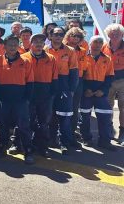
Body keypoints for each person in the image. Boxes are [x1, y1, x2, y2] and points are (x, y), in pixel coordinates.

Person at [0, 36, 35, 164]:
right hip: (3, 100)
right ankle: (2, 148)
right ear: (4, 46)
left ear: (18, 46)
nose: (12, 47)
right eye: (10, 45)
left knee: (23, 126)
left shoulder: (26, 61)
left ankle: (28, 151)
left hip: (20, 100)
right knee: (3, 125)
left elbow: (30, 82)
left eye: (15, 45)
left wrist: (27, 99)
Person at [22, 34, 58, 157]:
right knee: (28, 121)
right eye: (36, 42)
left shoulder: (51, 58)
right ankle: (27, 144)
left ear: (44, 44)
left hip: (45, 95)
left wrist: (52, 94)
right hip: (29, 94)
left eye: (41, 42)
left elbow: (55, 77)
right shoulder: (23, 58)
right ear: (30, 44)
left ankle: (43, 146)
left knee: (44, 122)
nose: (38, 44)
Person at [45, 26, 79, 154]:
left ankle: (65, 142)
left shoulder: (70, 51)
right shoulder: (45, 49)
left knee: (64, 117)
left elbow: (74, 72)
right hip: (48, 85)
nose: (58, 36)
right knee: (49, 115)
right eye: (55, 34)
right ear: (51, 36)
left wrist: (71, 90)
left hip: (64, 85)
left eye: (60, 34)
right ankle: (50, 140)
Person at [81, 36, 116, 150]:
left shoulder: (107, 59)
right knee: (84, 116)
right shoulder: (83, 58)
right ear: (90, 44)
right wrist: (85, 89)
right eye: (95, 42)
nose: (97, 45)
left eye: (100, 43)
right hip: (87, 92)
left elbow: (110, 77)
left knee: (104, 116)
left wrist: (103, 90)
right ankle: (86, 139)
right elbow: (80, 76)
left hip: (101, 91)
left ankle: (104, 141)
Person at [102, 23, 124, 144]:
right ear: (108, 34)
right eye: (112, 33)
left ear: (122, 34)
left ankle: (122, 132)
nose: (114, 35)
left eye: (117, 33)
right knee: (108, 107)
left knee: (123, 108)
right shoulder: (104, 47)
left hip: (123, 81)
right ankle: (109, 129)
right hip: (108, 81)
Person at [65, 27, 88, 142]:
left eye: (77, 36)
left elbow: (84, 67)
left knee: (74, 108)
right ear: (68, 36)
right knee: (59, 108)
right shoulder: (62, 49)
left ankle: (72, 132)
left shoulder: (83, 51)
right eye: (73, 35)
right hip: (63, 80)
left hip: (78, 80)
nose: (75, 38)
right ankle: (58, 133)